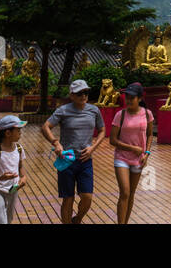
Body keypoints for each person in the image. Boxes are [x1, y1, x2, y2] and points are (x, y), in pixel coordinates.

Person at [42, 78, 105, 224]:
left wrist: (93, 147)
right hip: (67, 160)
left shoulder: (94, 110)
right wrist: (56, 143)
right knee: (68, 198)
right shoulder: (63, 110)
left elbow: (102, 130)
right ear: (71, 95)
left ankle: (77, 219)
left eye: (86, 92)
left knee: (87, 197)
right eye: (79, 93)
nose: (83, 96)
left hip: (85, 160)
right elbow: (46, 127)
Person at [109, 82, 155, 225]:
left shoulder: (147, 114)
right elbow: (112, 140)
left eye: (132, 97)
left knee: (131, 194)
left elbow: (150, 135)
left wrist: (147, 152)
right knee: (125, 192)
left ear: (140, 98)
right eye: (127, 97)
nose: (128, 100)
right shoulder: (120, 115)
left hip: (139, 159)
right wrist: (131, 148)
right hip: (121, 158)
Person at [0, 115, 27, 225]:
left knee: (8, 219)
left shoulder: (19, 149)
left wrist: (23, 177)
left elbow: (20, 166)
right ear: (8, 133)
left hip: (13, 190)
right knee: (1, 222)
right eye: (18, 130)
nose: (20, 133)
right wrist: (1, 178)